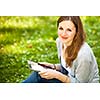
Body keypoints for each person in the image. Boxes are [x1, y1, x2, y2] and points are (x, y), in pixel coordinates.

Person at [22, 16, 99, 83]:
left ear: (77, 32)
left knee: (39, 78)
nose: (63, 34)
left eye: (69, 30)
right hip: (68, 79)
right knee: (39, 74)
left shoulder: (83, 55)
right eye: (61, 28)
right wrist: (54, 67)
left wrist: (57, 75)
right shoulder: (60, 42)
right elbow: (68, 68)